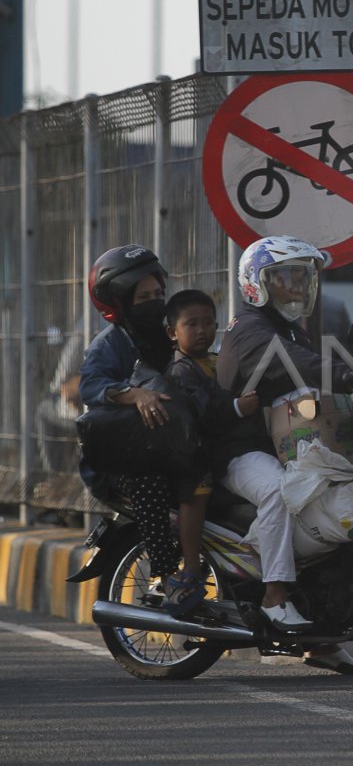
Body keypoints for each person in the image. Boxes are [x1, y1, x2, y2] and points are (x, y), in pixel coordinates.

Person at [215, 235, 353, 675]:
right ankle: (275, 597)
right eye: (286, 276)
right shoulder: (251, 331)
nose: (298, 285)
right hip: (237, 451)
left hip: (279, 445)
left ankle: (322, 637)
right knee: (280, 492)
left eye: (303, 276)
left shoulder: (286, 327)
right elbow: (296, 364)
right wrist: (348, 375)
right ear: (257, 283)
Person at [79, 245, 196, 611]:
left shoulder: (169, 334)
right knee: (149, 484)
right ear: (119, 301)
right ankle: (165, 577)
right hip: (126, 461)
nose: (155, 301)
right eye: (143, 296)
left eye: (158, 293)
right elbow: (90, 386)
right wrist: (132, 394)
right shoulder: (111, 343)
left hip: (171, 447)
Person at [160, 289, 260, 614]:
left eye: (208, 323)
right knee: (197, 488)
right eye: (192, 324)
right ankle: (190, 567)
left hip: (223, 451)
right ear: (172, 333)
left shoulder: (215, 361)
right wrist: (237, 408)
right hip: (193, 456)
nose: (202, 330)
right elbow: (203, 414)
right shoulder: (180, 370)